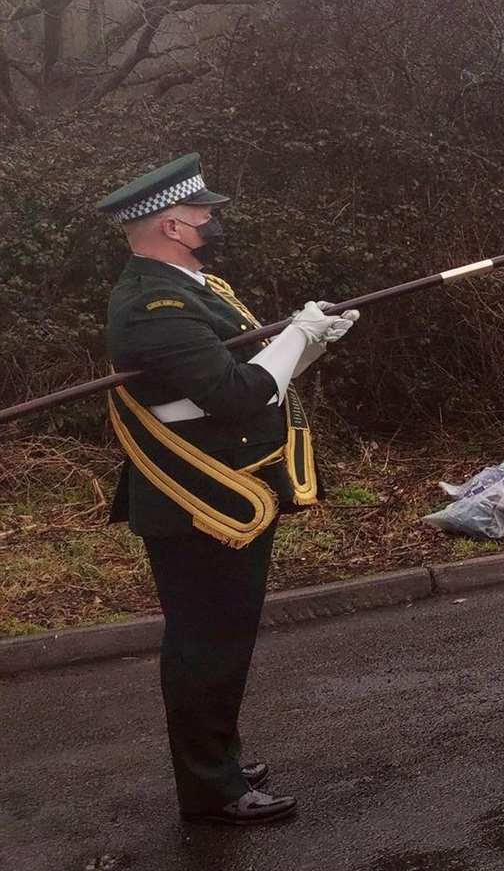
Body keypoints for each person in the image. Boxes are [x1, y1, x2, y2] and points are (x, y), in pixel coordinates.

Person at [98, 154, 359, 826]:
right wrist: (294, 340)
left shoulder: (189, 283)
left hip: (223, 487)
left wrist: (310, 343)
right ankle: (211, 788)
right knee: (206, 644)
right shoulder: (153, 304)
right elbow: (237, 392)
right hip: (199, 502)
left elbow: (248, 364)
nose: (214, 220)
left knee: (221, 638)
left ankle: (218, 760)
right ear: (172, 226)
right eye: (204, 213)